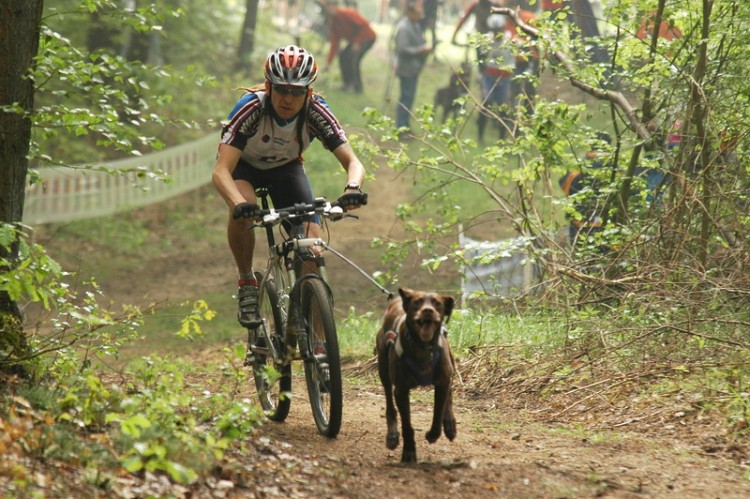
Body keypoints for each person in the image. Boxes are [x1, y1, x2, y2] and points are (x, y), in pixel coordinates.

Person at [212, 45, 367, 328]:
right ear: (269, 87)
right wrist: (238, 205)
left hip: (285, 170)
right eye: (282, 89)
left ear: (308, 92)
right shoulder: (251, 108)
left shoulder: (316, 111)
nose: (288, 98)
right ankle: (247, 282)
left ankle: (318, 340)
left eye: (297, 92)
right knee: (244, 210)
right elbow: (221, 171)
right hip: (243, 168)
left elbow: (353, 162)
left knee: (310, 245)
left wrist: (352, 188)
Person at [559, 132, 612, 245]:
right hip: (611, 228)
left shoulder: (577, 168)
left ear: (590, 145)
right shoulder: (618, 170)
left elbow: (564, 185)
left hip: (579, 226)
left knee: (582, 261)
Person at [321, 0, 377, 93]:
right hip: (355, 40)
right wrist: (328, 62)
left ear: (337, 6)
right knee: (343, 56)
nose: (331, 9)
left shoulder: (348, 13)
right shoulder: (333, 23)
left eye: (333, 6)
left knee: (353, 59)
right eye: (329, 7)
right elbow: (334, 43)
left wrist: (357, 42)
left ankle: (357, 88)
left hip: (367, 37)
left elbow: (364, 25)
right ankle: (347, 84)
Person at [394, 1, 433, 133]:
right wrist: (420, 50)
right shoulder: (404, 28)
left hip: (414, 68)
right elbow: (402, 49)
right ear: (410, 12)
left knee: (409, 98)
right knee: (405, 97)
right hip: (406, 69)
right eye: (417, 13)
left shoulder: (415, 25)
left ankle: (405, 125)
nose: (419, 16)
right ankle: (401, 127)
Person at [476, 13, 515, 143]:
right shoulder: (486, 39)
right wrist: (480, 74)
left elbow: (514, 59)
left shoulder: (510, 40)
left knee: (503, 107)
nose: (497, 33)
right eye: (495, 31)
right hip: (489, 76)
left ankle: (502, 138)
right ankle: (480, 136)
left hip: (504, 77)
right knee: (486, 105)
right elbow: (480, 57)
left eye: (499, 30)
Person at [450, 0, 503, 70]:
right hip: (481, 39)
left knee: (492, 65)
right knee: (483, 64)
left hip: (493, 40)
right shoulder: (476, 5)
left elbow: (503, 23)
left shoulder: (495, 6)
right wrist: (454, 36)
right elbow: (463, 19)